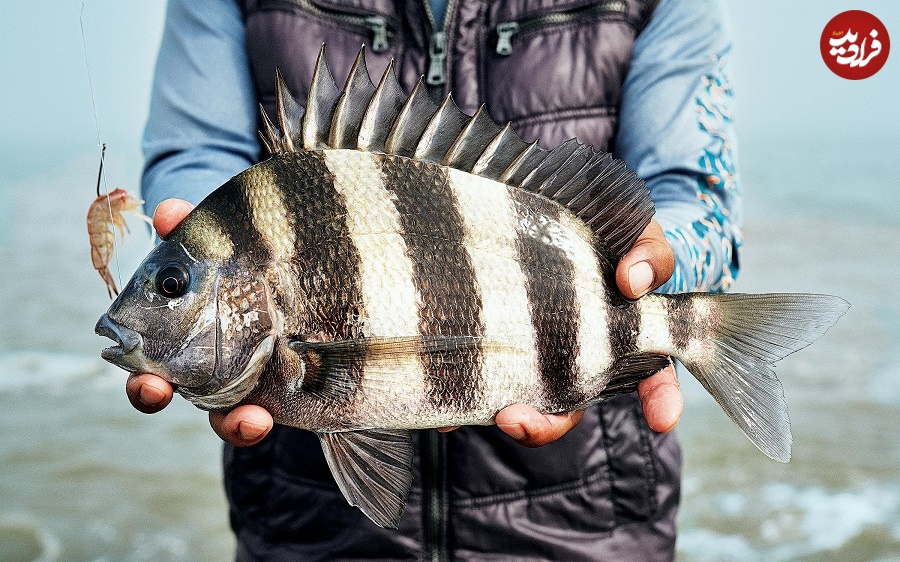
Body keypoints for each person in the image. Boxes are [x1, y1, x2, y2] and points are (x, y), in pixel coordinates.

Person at [129, 0, 740, 559]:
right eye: (173, 288)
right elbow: (197, 149)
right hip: (308, 520)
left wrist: (658, 269)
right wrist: (191, 207)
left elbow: (692, 193)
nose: (151, 307)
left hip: (587, 515)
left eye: (171, 288)